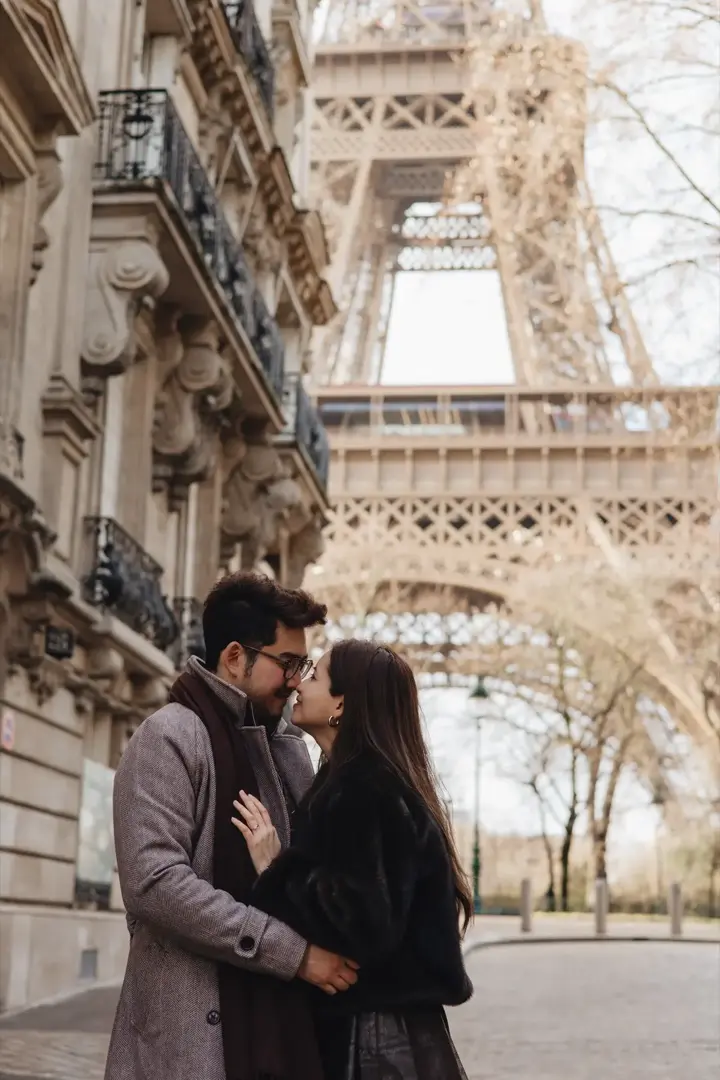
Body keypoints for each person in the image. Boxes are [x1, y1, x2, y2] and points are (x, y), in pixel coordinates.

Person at [105, 573, 359, 1080]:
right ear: (236, 657)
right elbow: (155, 885)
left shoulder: (284, 749)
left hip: (277, 1031)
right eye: (287, 664)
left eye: (303, 666)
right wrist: (295, 955)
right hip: (190, 1043)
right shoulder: (169, 737)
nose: (295, 680)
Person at [232, 640, 473, 1080]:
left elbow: (363, 919)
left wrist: (273, 869)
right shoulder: (368, 781)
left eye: (317, 676)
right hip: (394, 1035)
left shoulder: (362, 788)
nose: (300, 685)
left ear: (342, 703)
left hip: (372, 1043)